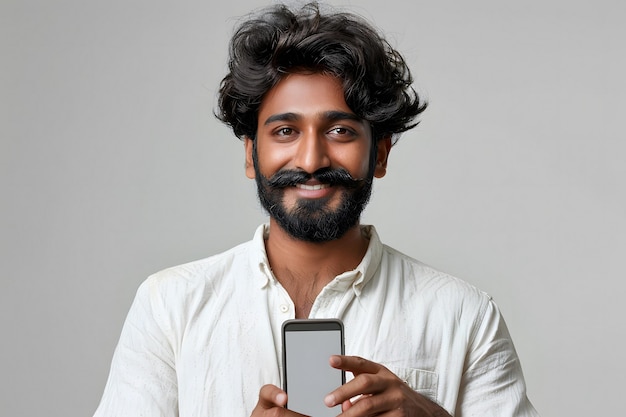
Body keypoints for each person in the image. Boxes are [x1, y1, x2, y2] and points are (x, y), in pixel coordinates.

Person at [93, 2, 539, 416]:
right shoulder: (169, 307)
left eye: (341, 130)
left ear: (379, 155)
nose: (311, 160)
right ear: (251, 156)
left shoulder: (464, 315)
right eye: (285, 130)